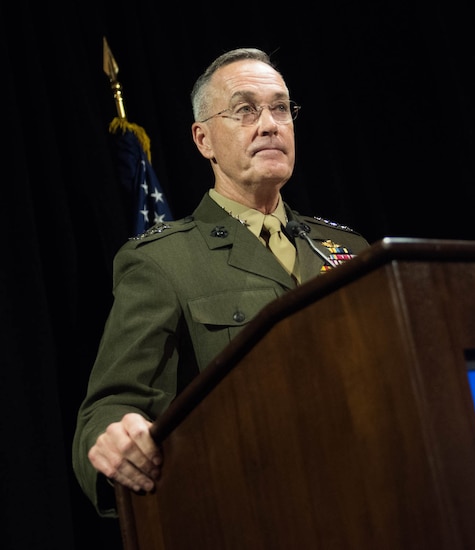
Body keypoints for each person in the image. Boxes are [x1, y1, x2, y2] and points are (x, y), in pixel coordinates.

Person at [72, 47, 371, 518]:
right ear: (203, 139)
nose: (270, 124)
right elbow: (108, 409)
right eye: (245, 109)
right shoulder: (163, 262)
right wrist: (114, 439)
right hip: (252, 512)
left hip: (374, 496)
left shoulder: (349, 249)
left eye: (280, 107)